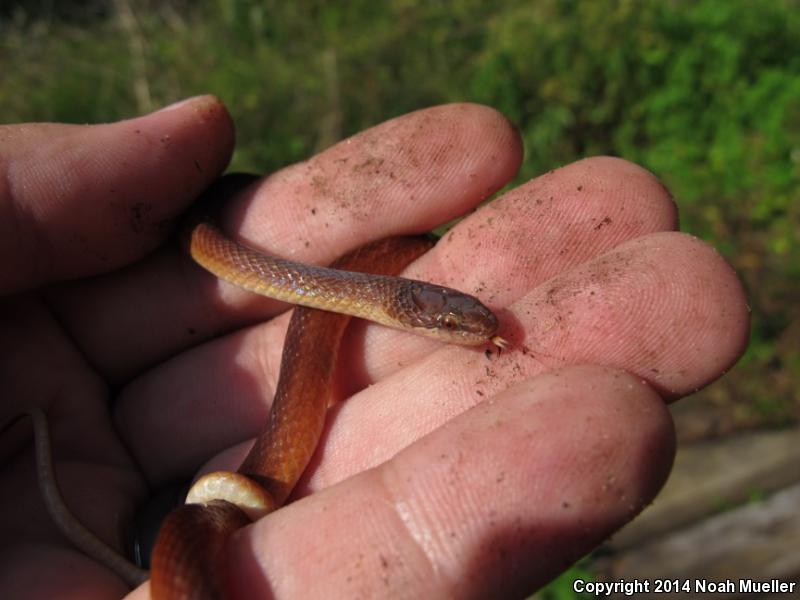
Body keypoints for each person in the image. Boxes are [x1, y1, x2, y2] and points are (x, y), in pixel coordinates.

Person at [0, 96, 749, 599]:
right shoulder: (321, 279)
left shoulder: (384, 280)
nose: (470, 330)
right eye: (452, 325)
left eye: (461, 324)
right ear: (418, 319)